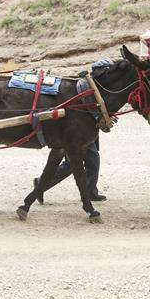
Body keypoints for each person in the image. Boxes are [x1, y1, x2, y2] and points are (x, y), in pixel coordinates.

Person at [34, 59, 114, 202]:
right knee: (80, 162)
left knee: (80, 162)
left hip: (87, 130)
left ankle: (89, 191)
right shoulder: (88, 87)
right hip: (79, 131)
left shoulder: (94, 87)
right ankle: (41, 185)